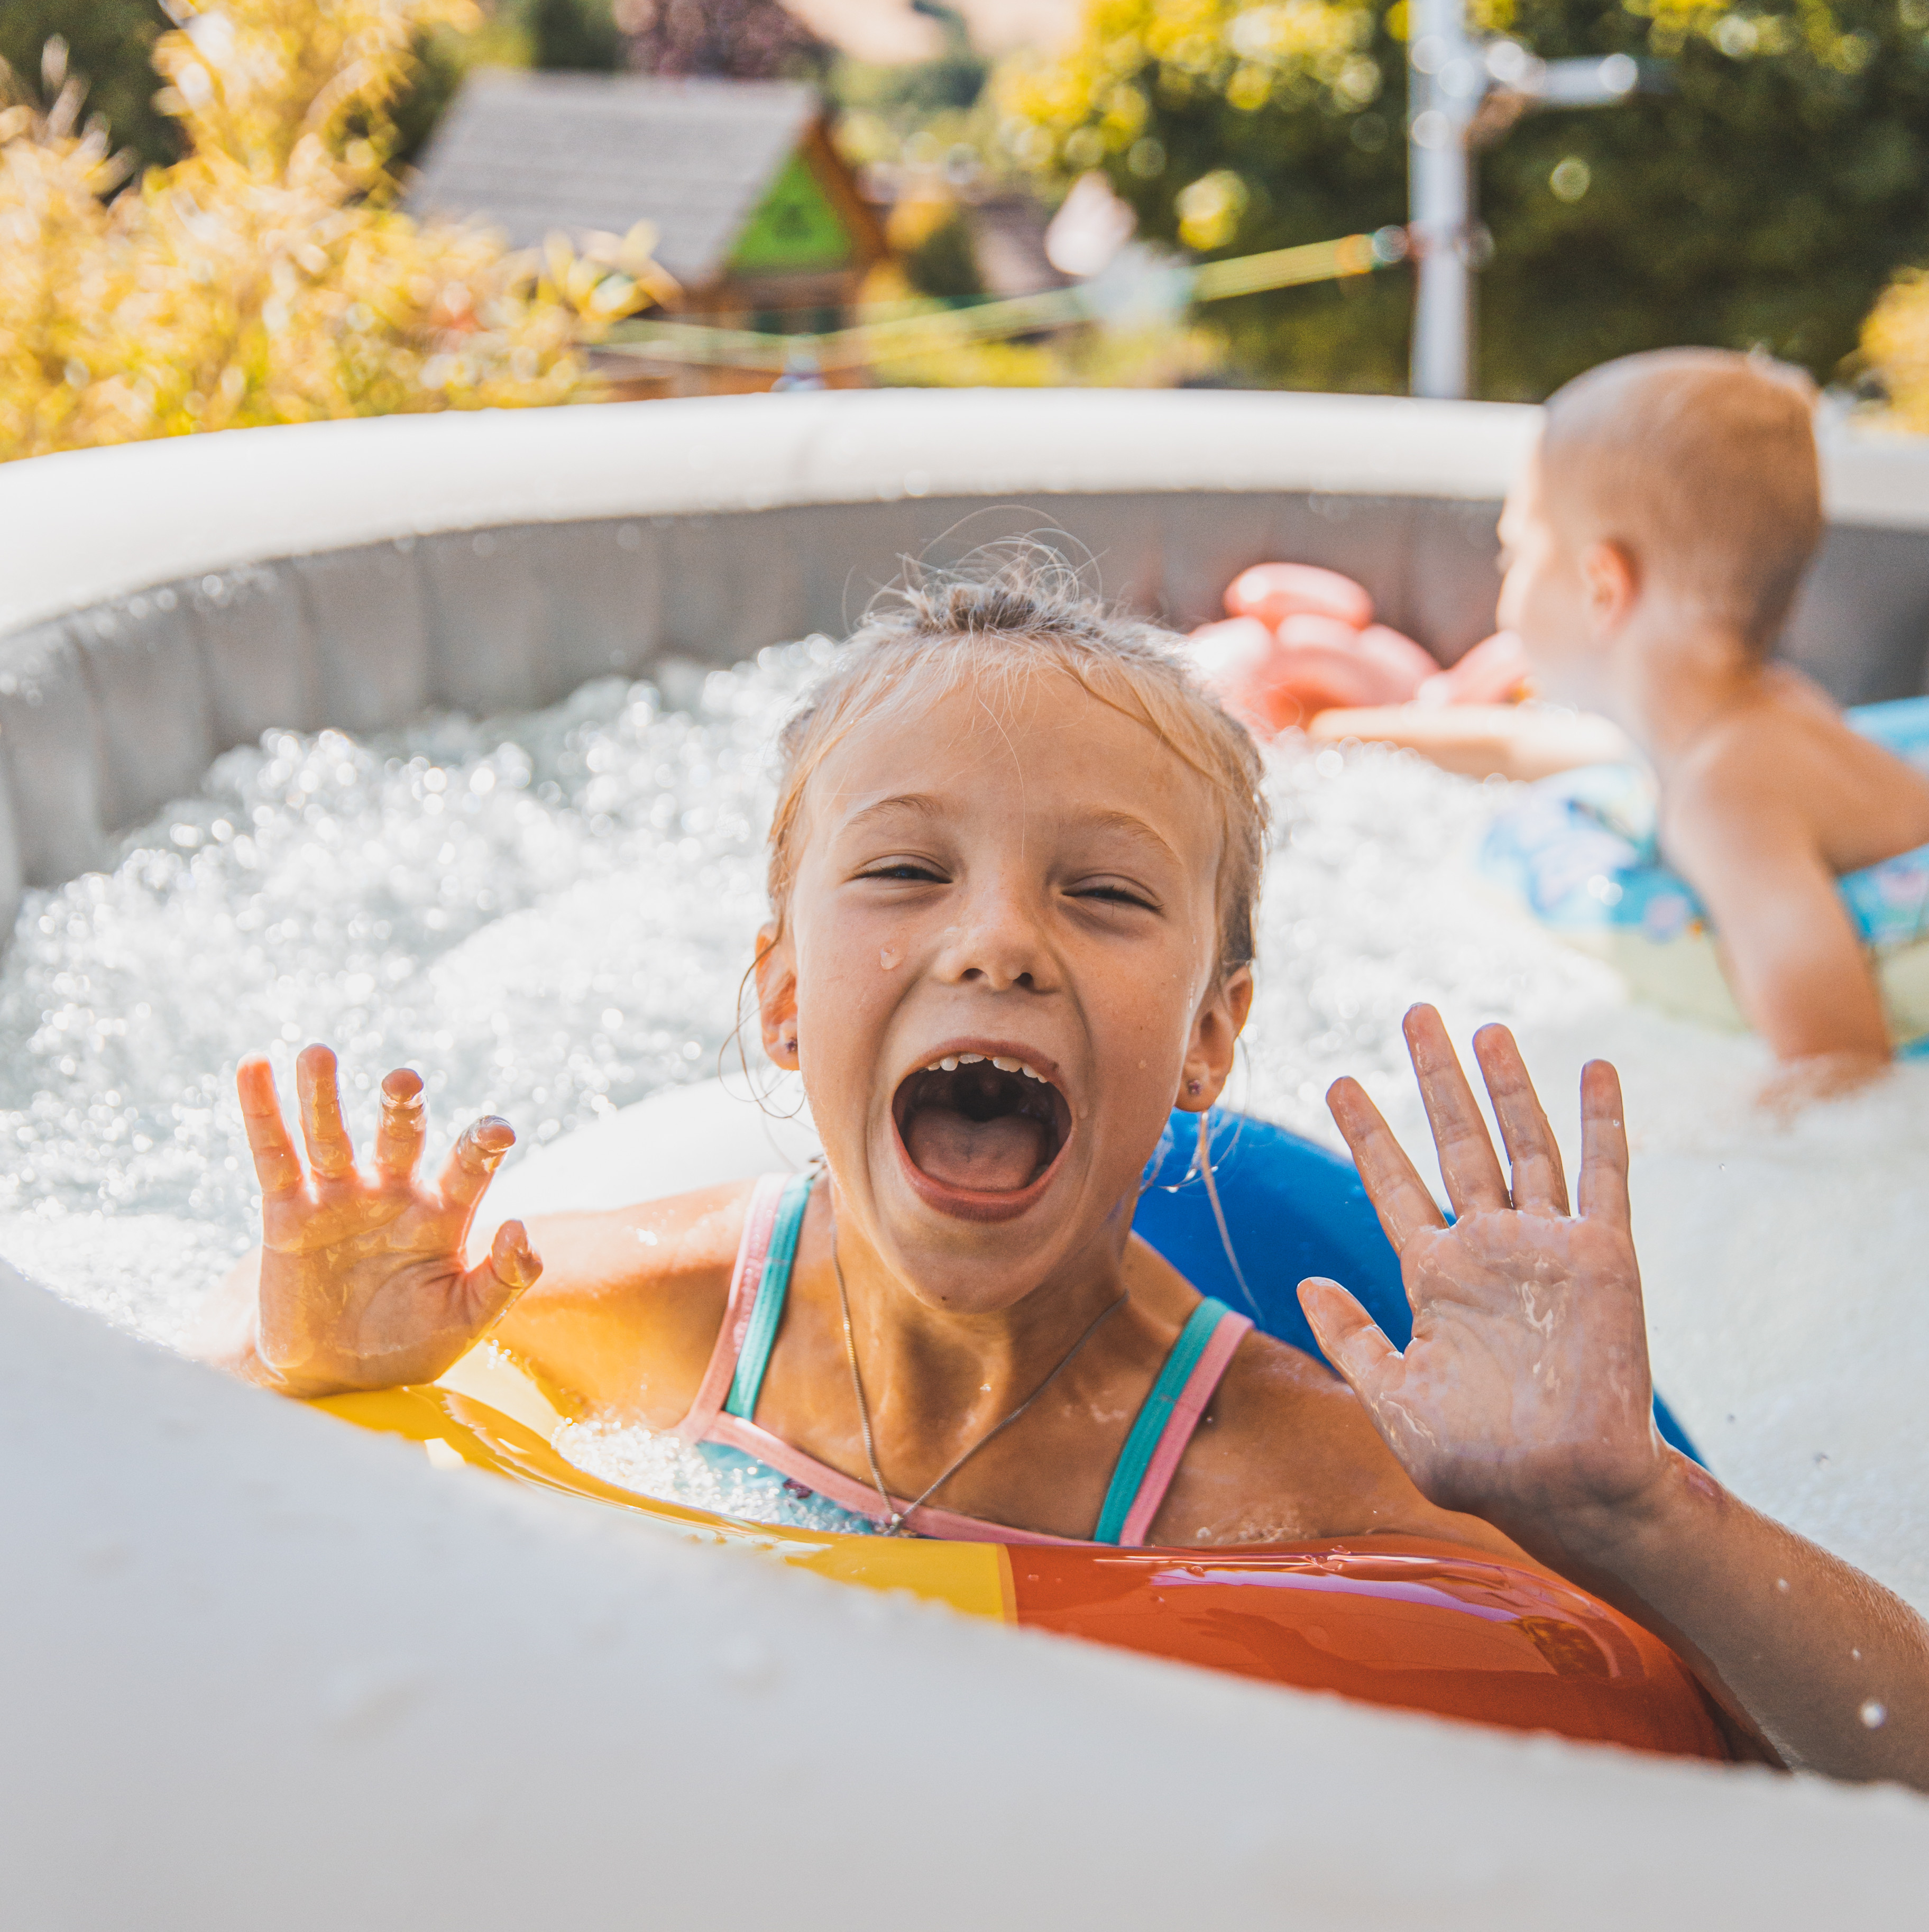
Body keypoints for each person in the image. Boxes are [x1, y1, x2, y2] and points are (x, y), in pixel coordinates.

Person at [192, 556, 1929, 1786]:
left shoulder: (1298, 1465)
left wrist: (1625, 1509)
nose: (997, 942)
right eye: (901, 875)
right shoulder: (629, 1316)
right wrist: (305, 1369)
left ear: (1203, 1040)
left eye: (1101, 895)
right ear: (786, 1001)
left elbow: (1830, 1782)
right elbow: (154, 1472)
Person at [1495, 348, 1929, 1105]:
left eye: (1514, 554)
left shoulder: (1729, 799)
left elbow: (1837, 1060)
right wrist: (1347, 728)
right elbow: (1533, 747)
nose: (1503, 593)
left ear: (1603, 588)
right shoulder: (1748, 712)